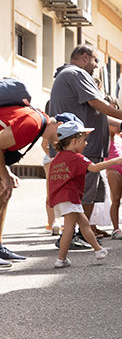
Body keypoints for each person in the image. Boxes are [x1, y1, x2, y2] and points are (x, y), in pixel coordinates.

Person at [49, 45, 122, 228]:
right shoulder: (76, 73)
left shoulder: (67, 75)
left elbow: (96, 113)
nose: (96, 65)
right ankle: (77, 234)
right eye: (96, 60)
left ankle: (84, 232)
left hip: (82, 148)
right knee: (84, 194)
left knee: (92, 192)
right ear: (85, 57)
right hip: (82, 148)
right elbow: (97, 103)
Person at [48, 118, 122, 267]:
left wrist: (50, 198)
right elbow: (95, 168)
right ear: (74, 141)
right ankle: (61, 259)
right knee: (69, 228)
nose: (86, 143)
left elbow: (51, 180)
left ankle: (98, 250)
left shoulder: (58, 158)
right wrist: (115, 161)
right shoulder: (77, 157)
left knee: (84, 223)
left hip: (62, 197)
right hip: (70, 197)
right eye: (84, 140)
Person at [0, 104, 61, 267]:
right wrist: (4, 176)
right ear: (59, 126)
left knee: (3, 192)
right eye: (66, 139)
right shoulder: (33, 123)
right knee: (3, 188)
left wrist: (6, 173)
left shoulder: (38, 124)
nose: (63, 146)